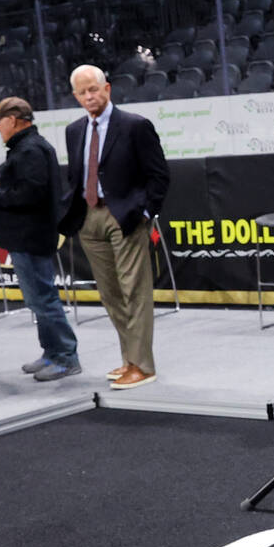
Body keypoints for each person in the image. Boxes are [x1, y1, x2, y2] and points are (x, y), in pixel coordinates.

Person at [60, 64, 169, 389]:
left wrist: (146, 212)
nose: (89, 96)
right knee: (110, 294)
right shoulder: (74, 130)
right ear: (76, 96)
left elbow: (159, 175)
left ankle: (143, 366)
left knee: (133, 291)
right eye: (82, 92)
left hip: (126, 216)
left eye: (93, 89)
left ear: (107, 88)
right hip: (89, 217)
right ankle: (129, 360)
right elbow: (76, 175)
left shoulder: (135, 126)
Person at [0, 97, 80, 382]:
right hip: (28, 236)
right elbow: (25, 185)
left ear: (13, 119)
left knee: (43, 299)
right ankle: (52, 352)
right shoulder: (27, 148)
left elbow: (28, 195)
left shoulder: (30, 150)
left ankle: (66, 357)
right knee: (38, 300)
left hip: (31, 236)